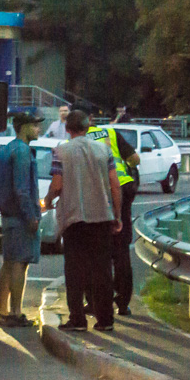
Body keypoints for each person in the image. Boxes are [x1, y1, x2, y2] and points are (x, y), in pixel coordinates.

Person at [44, 109, 122, 332]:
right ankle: (105, 319)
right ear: (88, 127)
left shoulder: (61, 152)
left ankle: (77, 318)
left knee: (75, 270)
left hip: (74, 219)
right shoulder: (103, 150)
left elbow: (57, 184)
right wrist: (116, 215)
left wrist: (49, 199)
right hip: (101, 218)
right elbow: (114, 185)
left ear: (67, 129)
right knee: (102, 270)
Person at [0, 111, 44, 328]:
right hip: (20, 217)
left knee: (9, 263)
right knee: (20, 264)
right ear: (24, 127)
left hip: (7, 214)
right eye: (35, 125)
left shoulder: (5, 149)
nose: (39, 129)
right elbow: (22, 189)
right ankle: (16, 312)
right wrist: (30, 216)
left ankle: (2, 310)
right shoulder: (22, 152)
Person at [88, 123, 140, 316]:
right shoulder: (111, 132)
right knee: (121, 250)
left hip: (97, 192)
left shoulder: (77, 139)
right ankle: (123, 302)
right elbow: (135, 159)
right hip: (123, 188)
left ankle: (95, 301)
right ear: (93, 118)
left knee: (96, 252)